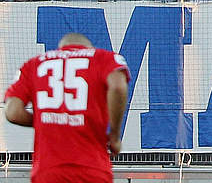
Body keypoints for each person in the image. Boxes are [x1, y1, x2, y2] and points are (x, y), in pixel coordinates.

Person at [4, 32, 129, 183]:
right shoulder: (104, 58)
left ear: (61, 47)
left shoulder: (33, 64)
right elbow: (117, 86)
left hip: (48, 170)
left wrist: (50, 119)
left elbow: (12, 112)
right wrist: (114, 135)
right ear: (87, 47)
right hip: (92, 168)